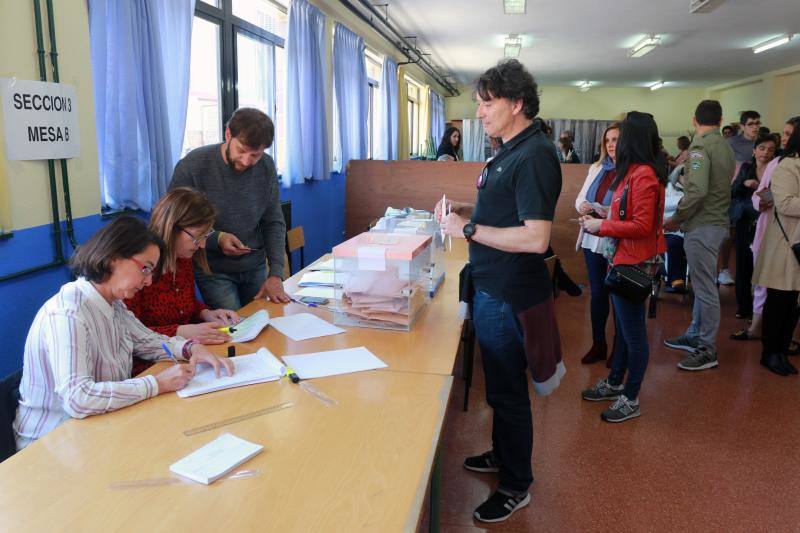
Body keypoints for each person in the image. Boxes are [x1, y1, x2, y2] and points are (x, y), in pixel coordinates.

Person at [436, 59, 563, 523]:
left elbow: (536, 238)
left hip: (509, 292)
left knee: (509, 394)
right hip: (493, 285)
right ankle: (502, 452)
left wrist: (466, 228)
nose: (480, 112)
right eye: (479, 103)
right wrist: (469, 211)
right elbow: (506, 212)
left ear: (517, 104)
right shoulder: (509, 149)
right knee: (501, 388)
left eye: (488, 104)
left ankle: (516, 484)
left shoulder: (534, 155)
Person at [12, 216, 234, 450]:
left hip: (98, 425)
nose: (149, 281)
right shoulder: (68, 314)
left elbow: (148, 341)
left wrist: (191, 347)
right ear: (112, 259)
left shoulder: (113, 302)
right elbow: (78, 398)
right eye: (146, 269)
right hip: (50, 444)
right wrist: (156, 384)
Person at [579, 112, 666, 423]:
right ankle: (616, 382)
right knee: (626, 328)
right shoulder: (633, 172)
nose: (616, 142)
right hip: (623, 258)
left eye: (622, 135)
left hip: (634, 261)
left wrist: (602, 226)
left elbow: (641, 226)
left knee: (633, 333)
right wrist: (601, 222)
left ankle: (630, 397)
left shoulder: (642, 174)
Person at [169, 107, 289, 311]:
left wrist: (276, 273)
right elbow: (178, 223)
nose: (246, 161)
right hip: (213, 269)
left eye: (255, 155)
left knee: (262, 325)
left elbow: (274, 222)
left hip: (255, 265)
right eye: (241, 150)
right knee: (235, 330)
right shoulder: (192, 167)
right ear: (227, 135)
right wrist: (218, 239)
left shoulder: (266, 167)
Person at [124, 188, 241, 375]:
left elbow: (184, 303)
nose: (202, 245)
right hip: (151, 366)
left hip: (186, 353)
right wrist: (180, 332)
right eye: (197, 237)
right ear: (171, 228)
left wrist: (205, 313)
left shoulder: (184, 258)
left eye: (205, 236)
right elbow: (130, 334)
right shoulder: (140, 270)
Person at [663, 100, 736, 371]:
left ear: (695, 120)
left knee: (705, 289)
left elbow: (697, 192)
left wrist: (676, 218)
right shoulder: (725, 147)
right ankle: (694, 334)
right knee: (702, 283)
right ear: (720, 119)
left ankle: (707, 348)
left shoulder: (700, 147)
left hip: (703, 225)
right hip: (716, 223)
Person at [740, 117, 800, 343]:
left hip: (792, 233)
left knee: (792, 292)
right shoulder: (780, 164)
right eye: (783, 133)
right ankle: (758, 327)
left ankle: (788, 336)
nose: (783, 137)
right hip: (773, 230)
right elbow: (763, 196)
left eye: (788, 133)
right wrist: (760, 202)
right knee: (767, 284)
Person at [751, 126, 800, 376]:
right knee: (779, 301)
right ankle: (770, 353)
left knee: (793, 304)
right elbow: (786, 203)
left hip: (795, 243)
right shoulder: (788, 166)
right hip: (785, 244)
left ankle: (781, 351)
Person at [574, 122, 621, 365]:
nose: (612, 144)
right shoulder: (596, 167)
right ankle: (598, 343)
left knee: (618, 297)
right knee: (598, 293)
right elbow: (580, 198)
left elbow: (627, 210)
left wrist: (605, 212)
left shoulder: (631, 171)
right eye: (608, 140)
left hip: (616, 240)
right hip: (592, 239)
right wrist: (582, 206)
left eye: (616, 139)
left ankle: (617, 349)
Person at [728, 134, 777, 321]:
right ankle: (744, 306)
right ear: (754, 150)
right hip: (745, 220)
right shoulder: (747, 168)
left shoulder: (776, 170)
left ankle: (761, 308)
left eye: (771, 149)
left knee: (762, 265)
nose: (766, 152)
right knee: (743, 263)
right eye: (762, 148)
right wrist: (744, 182)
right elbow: (732, 191)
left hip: (765, 221)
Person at [663, 166, 688, 293]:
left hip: (683, 229)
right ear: (678, 175)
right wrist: (679, 201)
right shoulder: (668, 187)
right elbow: (663, 204)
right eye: (685, 175)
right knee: (671, 243)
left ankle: (678, 278)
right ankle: (672, 278)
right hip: (665, 226)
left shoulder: (695, 191)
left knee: (677, 243)